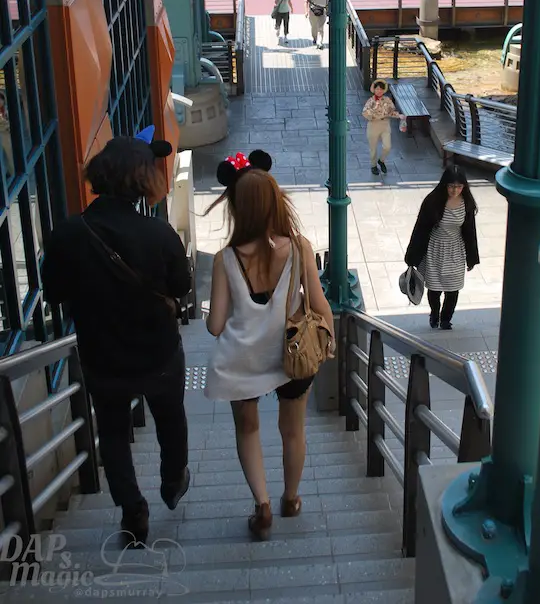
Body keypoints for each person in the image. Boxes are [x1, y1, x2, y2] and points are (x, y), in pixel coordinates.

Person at [42, 130, 192, 545]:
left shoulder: (68, 234)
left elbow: (53, 292)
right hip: (158, 353)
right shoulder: (159, 234)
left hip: (102, 356)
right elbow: (181, 287)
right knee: (170, 417)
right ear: (143, 180)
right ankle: (173, 479)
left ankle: (133, 510)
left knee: (112, 432)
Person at [205, 160, 335, 541]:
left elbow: (215, 326)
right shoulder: (298, 248)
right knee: (293, 430)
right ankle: (290, 498)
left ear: (236, 208)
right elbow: (319, 303)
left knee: (247, 429)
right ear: (276, 203)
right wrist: (328, 341)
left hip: (241, 362)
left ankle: (261, 505)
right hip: (292, 354)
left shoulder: (225, 259)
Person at [404, 165, 480, 330]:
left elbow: (470, 232)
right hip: (434, 250)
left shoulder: (466, 203)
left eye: (459, 187)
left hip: (455, 250)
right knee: (434, 288)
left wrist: (472, 258)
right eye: (451, 186)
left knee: (453, 288)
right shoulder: (432, 201)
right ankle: (434, 314)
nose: (454, 190)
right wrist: (412, 257)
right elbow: (420, 229)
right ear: (444, 185)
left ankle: (446, 319)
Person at [362, 79, 404, 176]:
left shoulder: (387, 100)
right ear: (374, 90)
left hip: (385, 124)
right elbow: (364, 112)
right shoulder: (371, 101)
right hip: (373, 125)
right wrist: (372, 114)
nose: (379, 91)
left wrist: (399, 115)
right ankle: (373, 166)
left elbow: (391, 111)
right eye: (377, 89)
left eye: (381, 89)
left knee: (387, 146)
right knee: (373, 148)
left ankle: (381, 160)